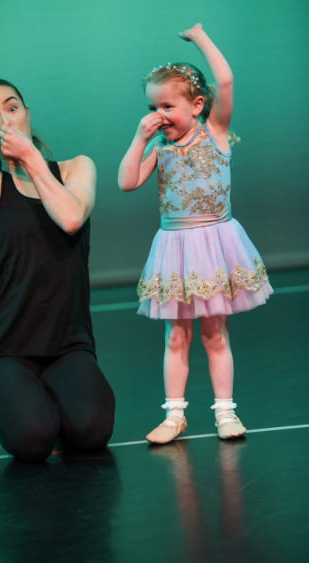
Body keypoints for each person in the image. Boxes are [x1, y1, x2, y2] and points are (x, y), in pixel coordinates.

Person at [117, 24, 272, 444]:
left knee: (214, 332)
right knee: (176, 335)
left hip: (215, 243)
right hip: (175, 246)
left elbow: (225, 80)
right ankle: (174, 415)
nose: (158, 114)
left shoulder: (215, 132)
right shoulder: (159, 148)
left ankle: (225, 413)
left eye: (167, 105)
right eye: (152, 106)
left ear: (198, 105)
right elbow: (126, 183)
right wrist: (139, 138)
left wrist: (200, 37)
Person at [0, 78, 115, 463]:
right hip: (6, 347)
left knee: (92, 433)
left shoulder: (76, 168)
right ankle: (25, 406)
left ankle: (54, 405)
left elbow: (70, 218)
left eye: (11, 108)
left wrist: (31, 158)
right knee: (33, 440)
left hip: (68, 346)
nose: (3, 121)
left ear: (27, 114)